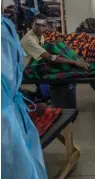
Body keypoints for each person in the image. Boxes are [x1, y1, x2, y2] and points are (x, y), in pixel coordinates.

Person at [2, 16, 48, 179]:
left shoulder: (5, 27)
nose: (41, 28)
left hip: (12, 97)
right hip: (24, 78)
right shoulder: (27, 38)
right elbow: (47, 56)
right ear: (32, 25)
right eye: (38, 25)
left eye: (44, 26)